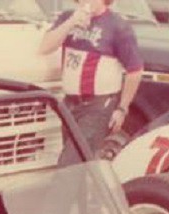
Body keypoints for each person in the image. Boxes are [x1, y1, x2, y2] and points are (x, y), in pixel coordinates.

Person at [39, 0, 144, 164]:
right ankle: (86, 190)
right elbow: (45, 47)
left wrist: (122, 108)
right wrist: (71, 22)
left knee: (70, 163)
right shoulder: (67, 18)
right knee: (82, 164)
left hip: (98, 105)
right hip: (70, 103)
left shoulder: (118, 27)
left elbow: (135, 71)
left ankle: (66, 189)